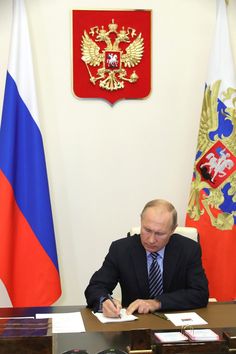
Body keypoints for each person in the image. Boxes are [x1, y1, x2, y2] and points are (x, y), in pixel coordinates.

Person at [85, 199, 209, 317]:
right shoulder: (121, 249)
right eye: (147, 230)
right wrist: (104, 301)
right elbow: (95, 287)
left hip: (175, 325)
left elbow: (200, 294)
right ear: (141, 221)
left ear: (173, 230)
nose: (151, 240)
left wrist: (157, 303)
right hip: (134, 327)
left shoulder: (188, 249)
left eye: (160, 233)